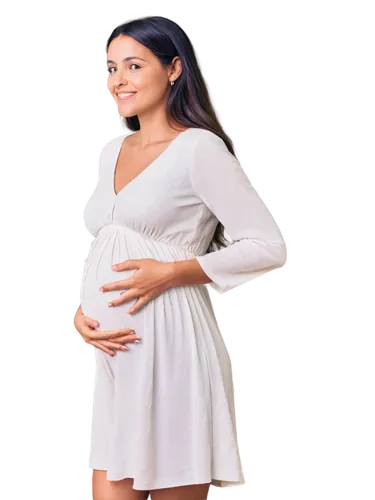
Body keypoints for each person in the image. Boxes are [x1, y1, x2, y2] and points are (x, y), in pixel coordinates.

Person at [72, 14, 288, 500]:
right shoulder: (115, 149)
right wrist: (81, 312)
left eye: (133, 65)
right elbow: (106, 243)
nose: (118, 80)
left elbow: (269, 246)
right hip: (114, 357)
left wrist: (173, 273)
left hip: (171, 348)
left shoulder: (198, 149)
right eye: (110, 68)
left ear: (173, 70)